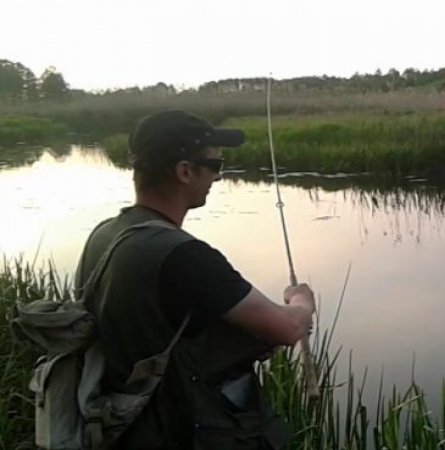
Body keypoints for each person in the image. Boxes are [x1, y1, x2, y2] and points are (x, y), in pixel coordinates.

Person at [75, 110, 315, 449]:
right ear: (185, 171)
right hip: (186, 430)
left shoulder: (104, 235)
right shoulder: (185, 257)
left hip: (126, 428)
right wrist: (301, 301)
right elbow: (287, 329)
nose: (219, 176)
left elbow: (157, 324)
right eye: (215, 165)